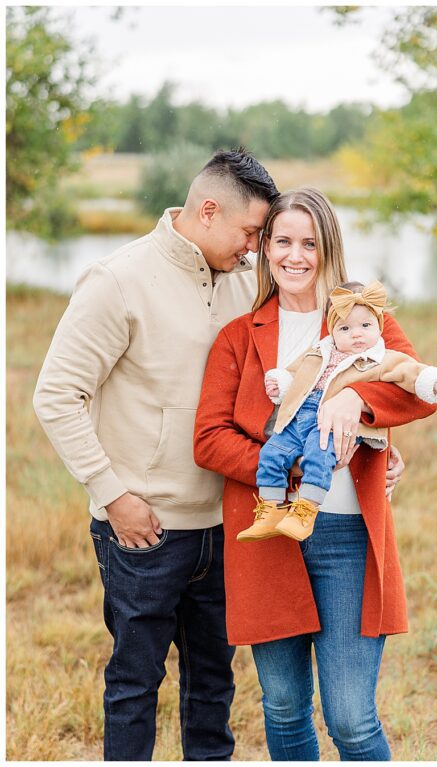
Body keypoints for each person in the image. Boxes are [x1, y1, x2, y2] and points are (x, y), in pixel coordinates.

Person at [32, 149, 278, 760]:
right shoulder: (119, 279)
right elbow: (56, 394)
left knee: (215, 686)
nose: (256, 248)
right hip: (145, 532)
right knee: (135, 685)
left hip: (226, 525)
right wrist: (113, 496)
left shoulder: (248, 282)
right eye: (250, 232)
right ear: (209, 209)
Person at [193, 187, 437, 760]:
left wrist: (356, 401)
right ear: (266, 248)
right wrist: (295, 463)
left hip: (348, 539)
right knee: (282, 706)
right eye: (283, 242)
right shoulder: (240, 335)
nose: (295, 256)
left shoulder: (367, 322)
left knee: (351, 718)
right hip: (267, 531)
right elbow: (209, 440)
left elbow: (416, 387)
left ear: (329, 247)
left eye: (310, 242)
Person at [244, 280, 437, 542]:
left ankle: (306, 509)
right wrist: (281, 382)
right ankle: (270, 508)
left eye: (365, 326)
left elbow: (411, 371)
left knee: (319, 454)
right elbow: (296, 372)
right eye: (345, 328)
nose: (357, 334)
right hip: (298, 417)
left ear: (379, 326)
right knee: (272, 452)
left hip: (329, 425)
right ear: (332, 331)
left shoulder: (382, 359)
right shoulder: (320, 351)